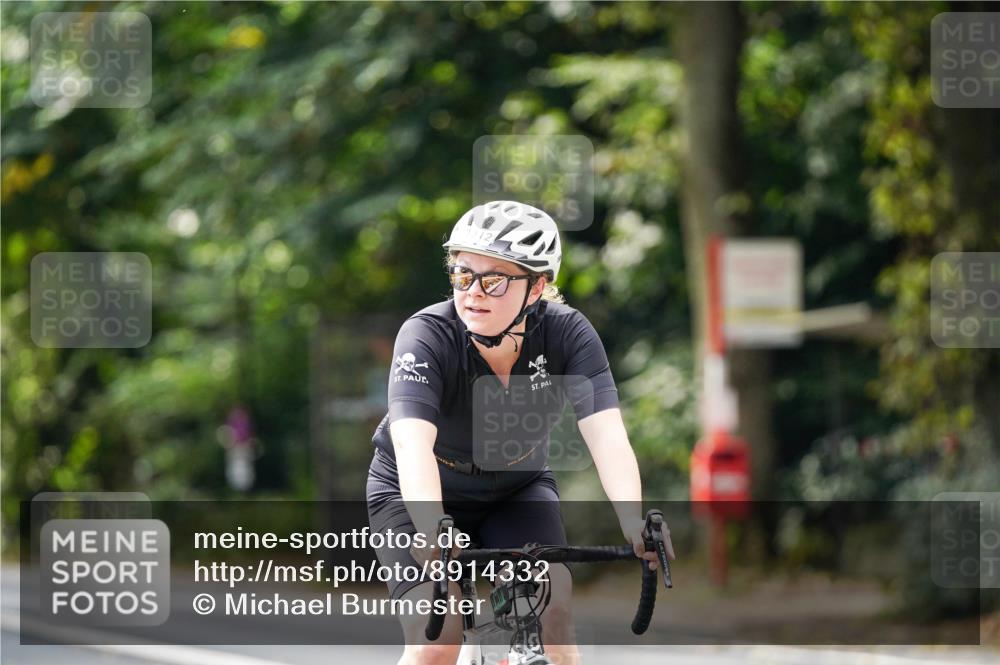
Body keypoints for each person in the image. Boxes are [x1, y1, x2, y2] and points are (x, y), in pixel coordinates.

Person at [366, 201, 675, 665]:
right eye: (462, 275)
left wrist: (632, 522)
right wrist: (431, 526)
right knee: (437, 641)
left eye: (493, 280)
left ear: (538, 287)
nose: (473, 292)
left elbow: (607, 435)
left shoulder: (569, 334)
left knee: (555, 615)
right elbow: (412, 446)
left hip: (516, 487)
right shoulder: (426, 335)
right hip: (417, 490)